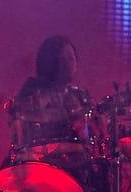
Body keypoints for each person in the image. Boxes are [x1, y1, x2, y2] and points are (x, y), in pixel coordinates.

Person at [8, 35, 92, 168]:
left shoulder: (79, 95)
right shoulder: (32, 89)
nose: (73, 63)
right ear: (53, 62)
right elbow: (20, 119)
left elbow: (89, 137)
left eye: (74, 58)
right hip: (37, 162)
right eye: (68, 58)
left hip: (74, 163)